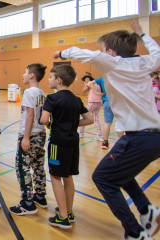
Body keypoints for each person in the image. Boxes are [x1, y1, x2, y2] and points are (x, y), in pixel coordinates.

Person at [54, 21, 160, 240]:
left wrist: (61, 52)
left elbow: (85, 53)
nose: (101, 53)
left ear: (111, 52)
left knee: (103, 178)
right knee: (121, 173)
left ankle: (135, 232)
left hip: (138, 137)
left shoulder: (113, 63)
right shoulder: (146, 62)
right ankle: (147, 210)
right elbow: (157, 51)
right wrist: (143, 35)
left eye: (104, 50)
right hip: (154, 136)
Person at [40, 65, 93, 229]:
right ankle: (68, 211)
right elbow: (89, 119)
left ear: (59, 80)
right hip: (73, 141)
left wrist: (52, 125)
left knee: (55, 177)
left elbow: (43, 120)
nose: (48, 79)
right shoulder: (76, 99)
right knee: (68, 176)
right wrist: (72, 124)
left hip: (57, 143)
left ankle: (62, 217)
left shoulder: (52, 98)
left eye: (50, 76)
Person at [9, 63, 47, 215]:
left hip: (30, 134)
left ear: (31, 75)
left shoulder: (29, 92)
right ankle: (40, 195)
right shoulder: (42, 92)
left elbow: (30, 115)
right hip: (41, 134)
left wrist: (26, 137)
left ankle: (28, 202)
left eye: (25, 72)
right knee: (38, 165)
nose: (23, 75)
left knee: (22, 167)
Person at [89, 77, 124, 149]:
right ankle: (120, 144)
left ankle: (105, 143)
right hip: (118, 102)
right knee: (120, 122)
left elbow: (91, 83)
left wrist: (96, 92)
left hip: (107, 102)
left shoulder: (103, 78)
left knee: (107, 123)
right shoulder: (119, 76)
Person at [79, 74, 103, 141]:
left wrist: (86, 83)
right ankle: (99, 134)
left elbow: (83, 91)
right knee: (96, 118)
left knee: (84, 116)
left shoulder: (90, 83)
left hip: (92, 102)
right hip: (98, 103)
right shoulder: (97, 84)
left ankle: (81, 132)